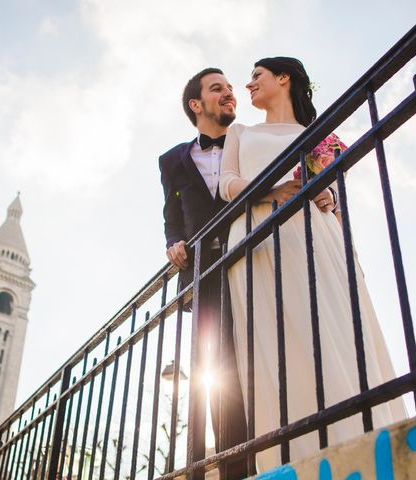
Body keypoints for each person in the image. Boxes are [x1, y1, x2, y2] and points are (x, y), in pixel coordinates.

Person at [219, 57, 406, 470]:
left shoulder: (323, 137)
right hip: (258, 238)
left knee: (332, 333)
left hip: (315, 237)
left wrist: (330, 197)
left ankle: (362, 451)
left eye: (257, 76)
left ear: (283, 78)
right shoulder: (240, 132)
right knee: (275, 350)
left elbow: (337, 197)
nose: (248, 85)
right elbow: (227, 185)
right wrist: (274, 188)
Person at [159, 67, 247, 477]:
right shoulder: (172, 160)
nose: (230, 94)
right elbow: (172, 217)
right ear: (197, 105)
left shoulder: (248, 140)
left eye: (231, 88)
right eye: (218, 89)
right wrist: (173, 242)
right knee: (213, 372)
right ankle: (232, 468)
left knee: (254, 357)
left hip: (252, 255)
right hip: (203, 273)